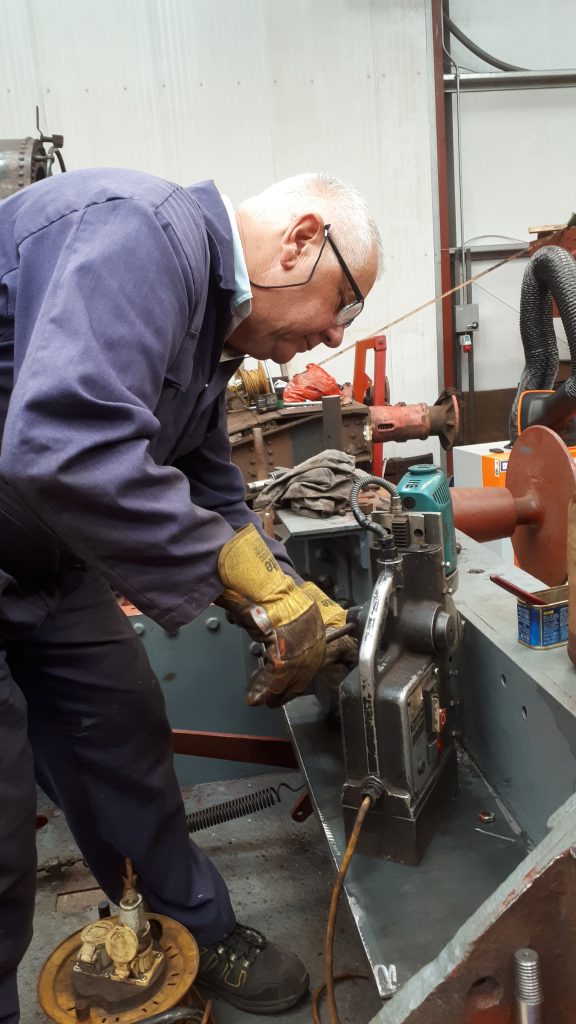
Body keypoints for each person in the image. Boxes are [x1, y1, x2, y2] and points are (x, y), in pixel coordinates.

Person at [0, 168, 382, 1020]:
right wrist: (248, 583)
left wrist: (284, 596)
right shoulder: (141, 235)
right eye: (343, 307)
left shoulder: (208, 329)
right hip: (22, 532)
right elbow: (63, 444)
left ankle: (195, 928)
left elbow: (209, 487)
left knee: (123, 737)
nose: (329, 339)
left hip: (44, 565)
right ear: (301, 237)